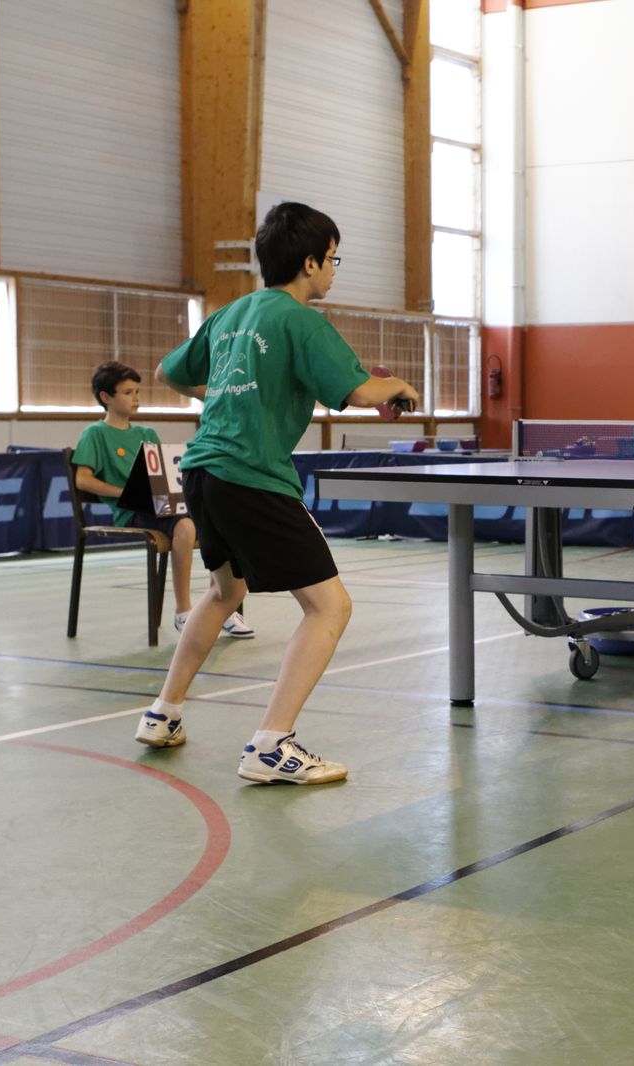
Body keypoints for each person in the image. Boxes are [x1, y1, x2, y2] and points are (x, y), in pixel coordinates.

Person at [139, 201, 418, 784]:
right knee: (330, 606)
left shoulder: (231, 314)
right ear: (310, 262)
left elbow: (171, 371)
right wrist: (398, 385)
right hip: (251, 476)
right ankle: (271, 745)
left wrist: (227, 395)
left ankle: (163, 714)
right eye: (333, 259)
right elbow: (364, 392)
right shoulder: (302, 321)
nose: (334, 270)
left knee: (224, 593)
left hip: (204, 472)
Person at [72, 362, 256, 640]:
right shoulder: (94, 434)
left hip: (162, 507)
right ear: (105, 397)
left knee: (222, 521)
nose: (135, 398)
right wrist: (122, 493)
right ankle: (184, 612)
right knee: (185, 527)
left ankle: (223, 606)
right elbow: (83, 480)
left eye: (137, 391)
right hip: (131, 513)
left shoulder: (147, 435)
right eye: (127, 392)